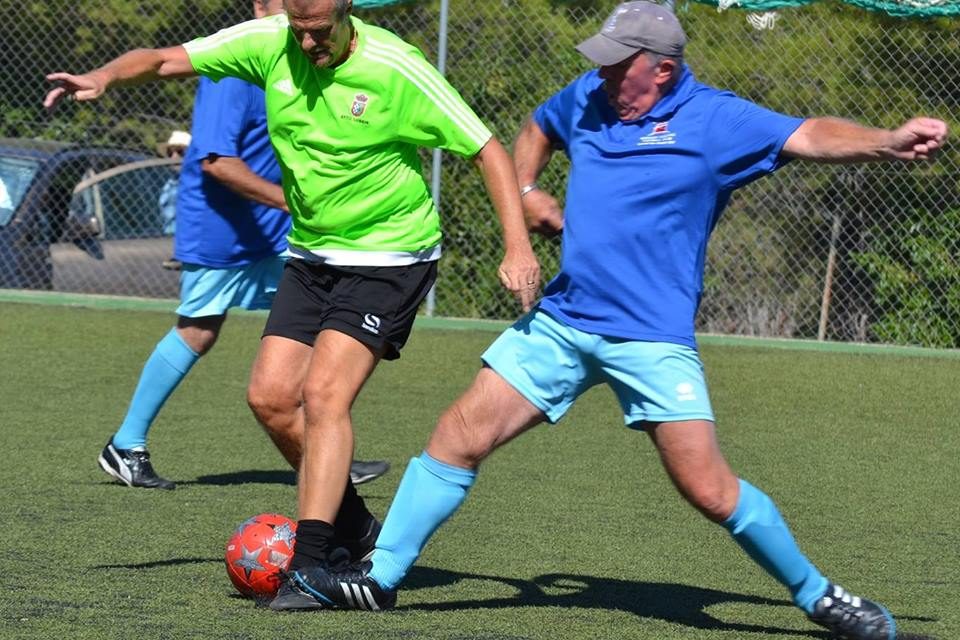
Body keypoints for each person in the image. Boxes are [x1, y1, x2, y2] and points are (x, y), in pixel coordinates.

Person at [282, 2, 948, 637]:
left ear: (661, 68)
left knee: (708, 488)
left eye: (615, 64)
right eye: (599, 61)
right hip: (565, 322)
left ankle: (819, 596)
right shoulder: (589, 98)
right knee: (457, 434)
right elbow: (536, 129)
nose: (600, 74)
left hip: (649, 339)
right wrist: (526, 190)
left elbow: (809, 135)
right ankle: (382, 577)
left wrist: (887, 142)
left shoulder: (714, 121)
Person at [45, 0, 540, 606]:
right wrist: (104, 76)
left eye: (318, 32)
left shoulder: (396, 66)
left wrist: (516, 247)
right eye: (298, 32)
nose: (307, 45)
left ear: (347, 12)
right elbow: (168, 58)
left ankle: (311, 565)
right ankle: (355, 527)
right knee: (272, 399)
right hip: (312, 255)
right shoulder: (269, 40)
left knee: (324, 395)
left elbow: (487, 147)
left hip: (390, 256)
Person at [92, 0, 390, 496]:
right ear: (259, 6)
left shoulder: (299, 50)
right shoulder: (232, 67)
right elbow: (215, 163)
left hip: (271, 226)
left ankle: (323, 452)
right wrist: (293, 204)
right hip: (223, 224)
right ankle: (126, 443)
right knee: (198, 328)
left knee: (320, 324)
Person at [157, 129, 191, 269]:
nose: (174, 157)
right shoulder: (168, 184)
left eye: (180, 152)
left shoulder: (199, 185)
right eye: (170, 153)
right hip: (167, 241)